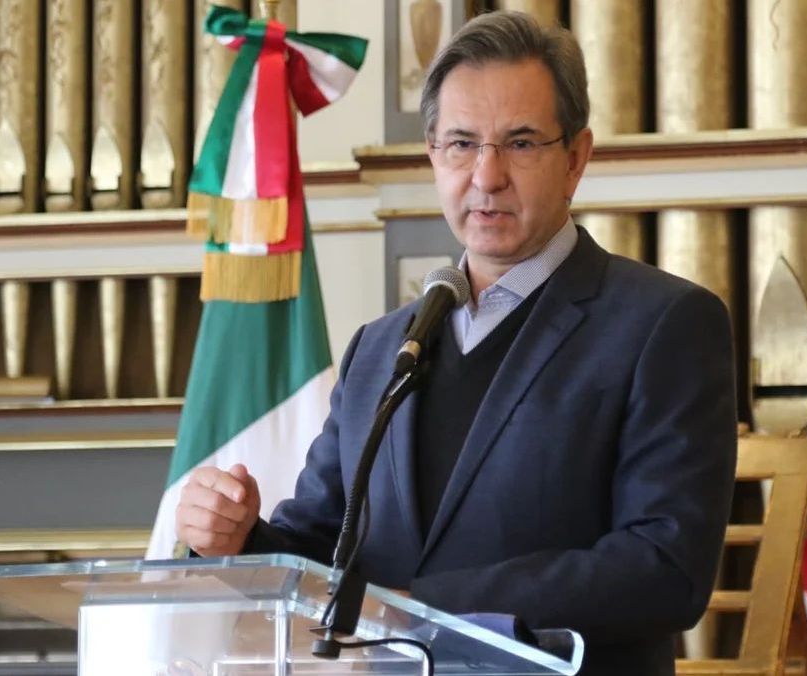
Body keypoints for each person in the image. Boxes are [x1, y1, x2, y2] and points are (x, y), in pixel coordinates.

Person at [175, 10, 737, 675]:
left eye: (520, 143)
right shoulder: (379, 349)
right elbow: (326, 545)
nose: (487, 176)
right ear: (433, 156)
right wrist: (236, 538)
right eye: (462, 144)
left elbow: (664, 568)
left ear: (575, 159)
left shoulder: (664, 323)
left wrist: (425, 609)